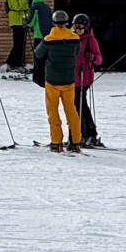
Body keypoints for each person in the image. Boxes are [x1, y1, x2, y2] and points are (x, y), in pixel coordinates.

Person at [35, 16, 83, 152]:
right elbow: (77, 52)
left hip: (52, 80)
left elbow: (38, 53)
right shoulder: (74, 39)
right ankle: (75, 140)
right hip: (69, 79)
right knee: (71, 110)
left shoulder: (49, 39)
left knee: (53, 110)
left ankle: (56, 141)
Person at [72, 12, 104, 148]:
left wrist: (92, 58)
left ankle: (86, 133)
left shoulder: (91, 40)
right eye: (76, 26)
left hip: (84, 77)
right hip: (72, 78)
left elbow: (99, 59)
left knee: (79, 105)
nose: (79, 29)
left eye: (81, 26)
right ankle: (87, 132)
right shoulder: (71, 38)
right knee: (78, 106)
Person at [26, 0, 55, 86]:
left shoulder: (35, 7)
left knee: (38, 55)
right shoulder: (47, 7)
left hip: (39, 35)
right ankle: (45, 74)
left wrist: (25, 23)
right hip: (48, 35)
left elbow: (31, 21)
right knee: (45, 56)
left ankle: (38, 76)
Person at [4, 0, 33, 72]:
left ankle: (18, 63)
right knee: (18, 43)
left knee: (21, 43)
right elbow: (16, 6)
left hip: (21, 20)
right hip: (16, 21)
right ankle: (12, 63)